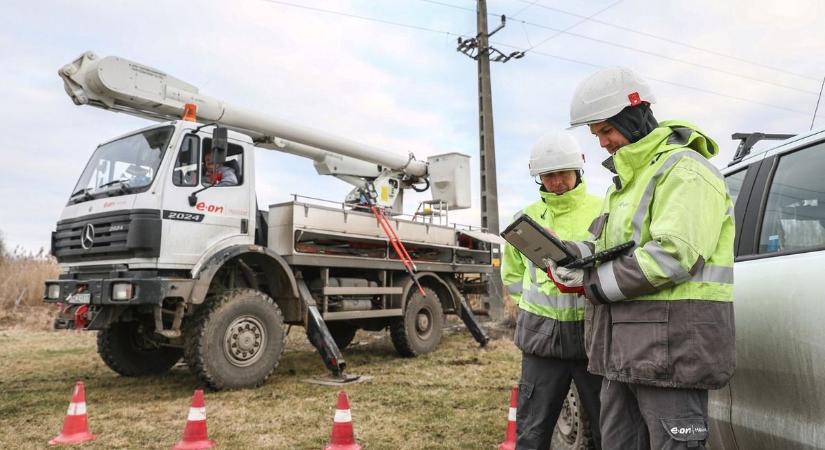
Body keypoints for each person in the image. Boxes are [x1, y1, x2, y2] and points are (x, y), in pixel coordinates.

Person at [547, 67, 735, 449]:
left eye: (605, 131)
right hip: (626, 355)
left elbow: (672, 255)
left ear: (631, 117)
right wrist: (569, 256)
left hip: (672, 356)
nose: (602, 142)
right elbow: (608, 248)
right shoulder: (627, 185)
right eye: (597, 134)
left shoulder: (684, 171)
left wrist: (593, 284)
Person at [501, 131, 603, 450]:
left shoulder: (604, 210)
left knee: (610, 428)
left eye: (562, 173)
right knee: (533, 430)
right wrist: (530, 306)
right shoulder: (525, 220)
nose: (556, 182)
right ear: (538, 177)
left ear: (578, 169)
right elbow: (513, 274)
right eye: (548, 176)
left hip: (593, 335)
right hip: (542, 338)